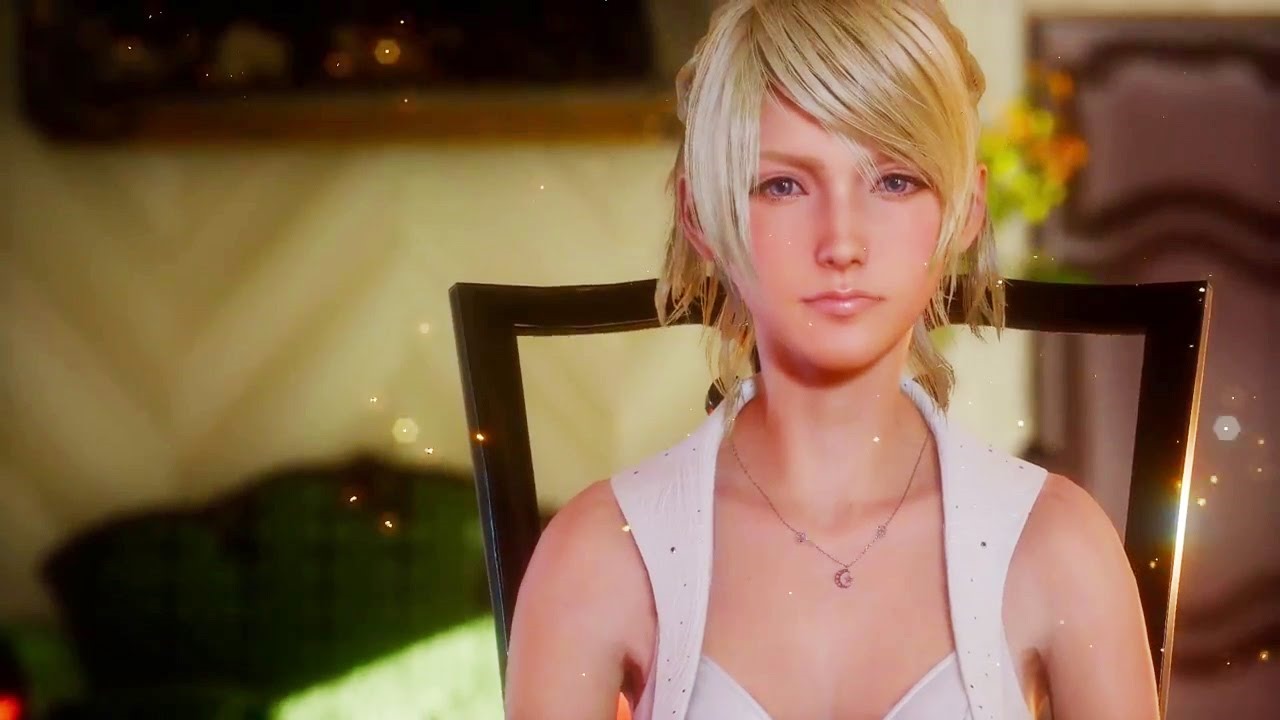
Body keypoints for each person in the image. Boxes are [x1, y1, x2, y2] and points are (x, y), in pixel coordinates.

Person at [503, 1, 1160, 718]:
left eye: (895, 181)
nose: (842, 242)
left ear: (967, 211)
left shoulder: (1057, 546)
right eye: (782, 185)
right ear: (699, 215)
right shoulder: (600, 554)